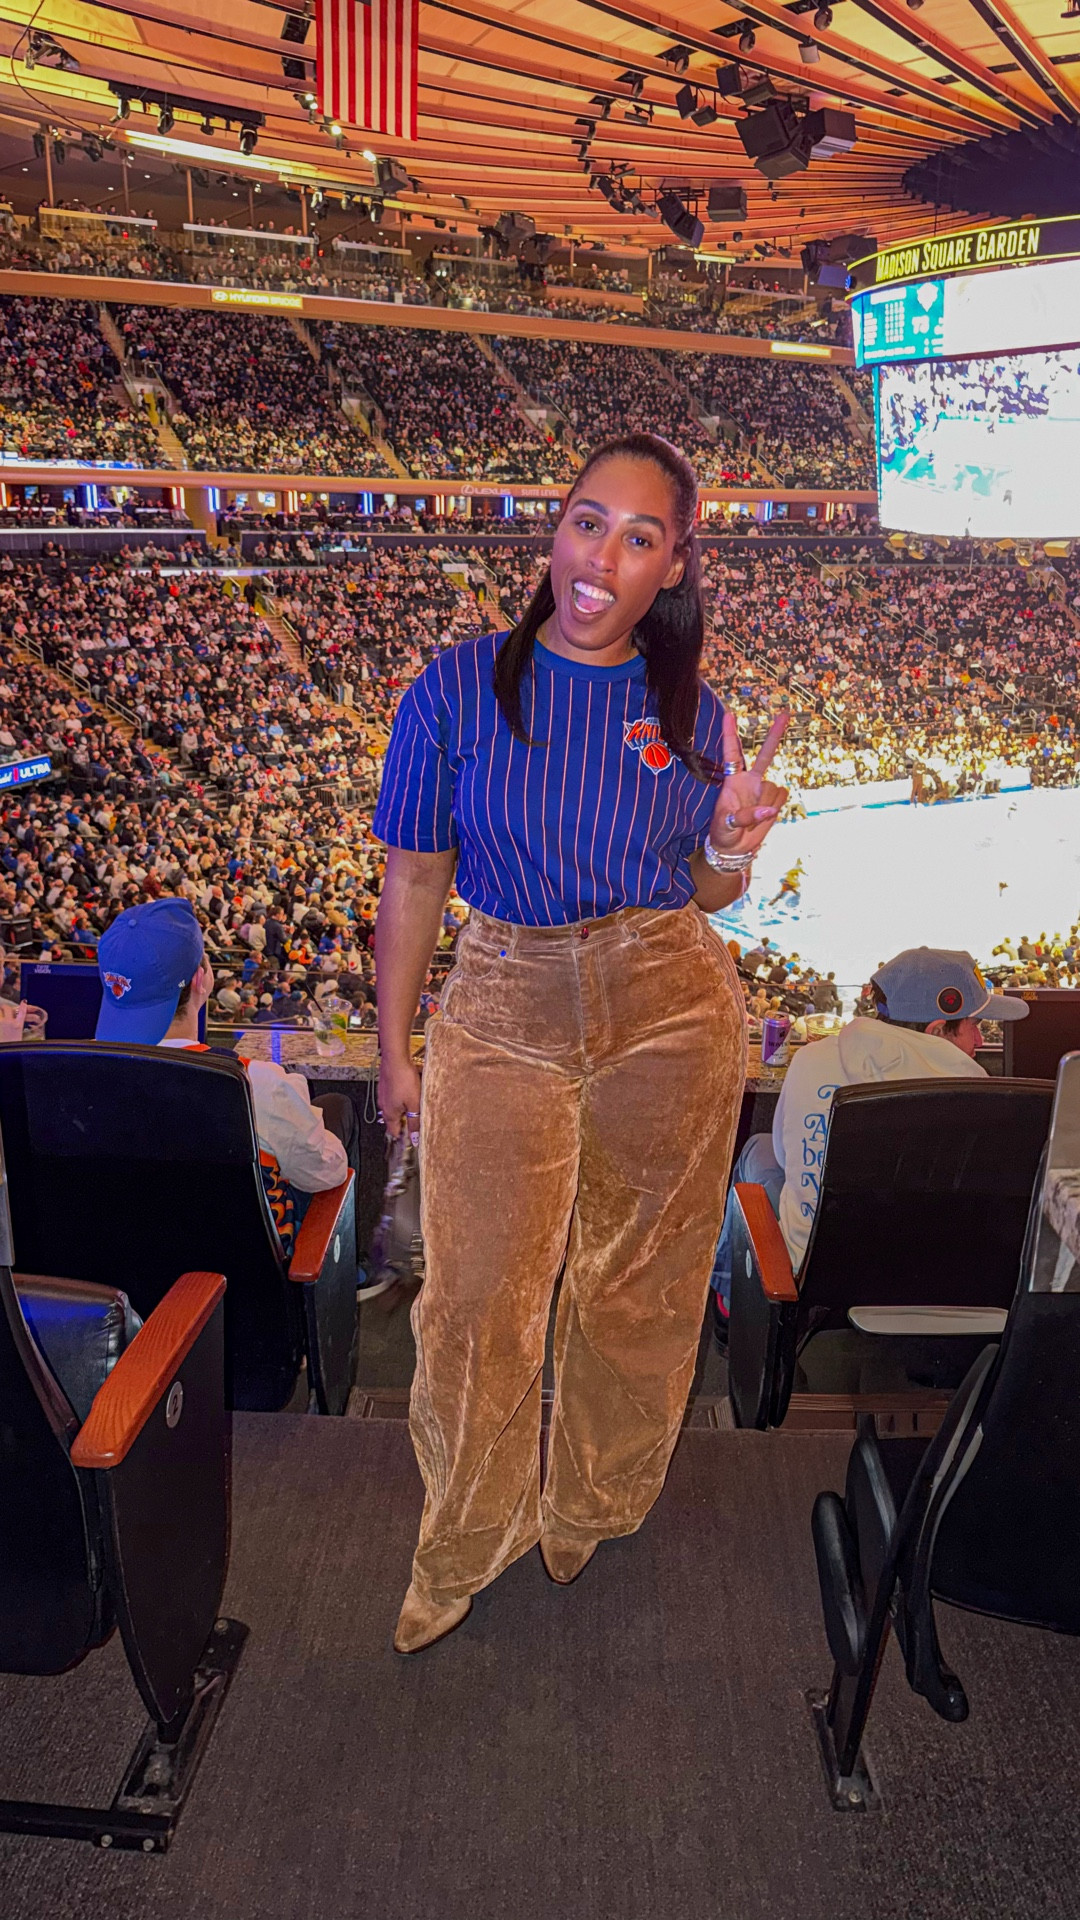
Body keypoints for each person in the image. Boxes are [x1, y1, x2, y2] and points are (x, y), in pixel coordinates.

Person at [373, 432, 790, 1655]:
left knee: (640, 1286)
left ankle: (596, 1498)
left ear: (675, 566)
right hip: (503, 1001)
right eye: (586, 521)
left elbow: (704, 896)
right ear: (553, 532)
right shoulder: (453, 689)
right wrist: (397, 1048)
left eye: (640, 536)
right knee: (475, 1298)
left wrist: (730, 846)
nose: (602, 557)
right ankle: (468, 1529)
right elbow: (411, 878)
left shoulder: (691, 710)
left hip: (669, 1002)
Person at [708, 946, 1030, 1336]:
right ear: (935, 1030)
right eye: (974, 1025)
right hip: (940, 1280)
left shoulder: (812, 1061)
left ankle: (730, 1312)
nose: (979, 1039)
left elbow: (783, 1154)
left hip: (821, 1274)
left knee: (759, 1150)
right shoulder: (981, 1094)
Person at [94, 897, 392, 1295]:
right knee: (334, 1113)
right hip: (242, 1295)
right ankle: (343, 1276)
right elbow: (326, 1172)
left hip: (128, 1286)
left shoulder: (74, 1084)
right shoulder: (257, 1085)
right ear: (202, 979)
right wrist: (304, 1115)